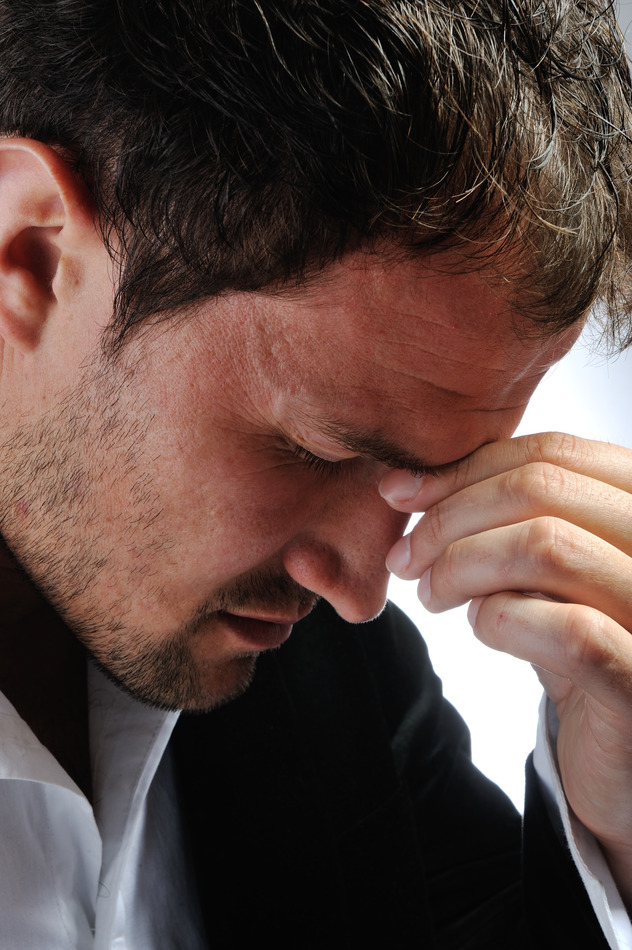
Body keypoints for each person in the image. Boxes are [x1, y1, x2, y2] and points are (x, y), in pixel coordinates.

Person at [0, 0, 630, 945]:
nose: (364, 590)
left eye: (440, 473)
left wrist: (618, 826)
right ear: (31, 253)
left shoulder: (330, 677)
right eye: (317, 452)